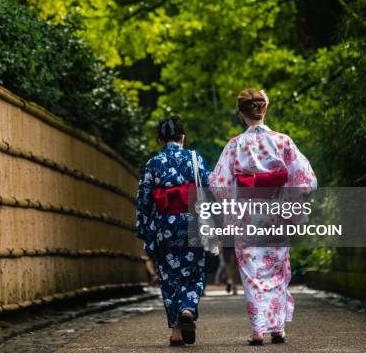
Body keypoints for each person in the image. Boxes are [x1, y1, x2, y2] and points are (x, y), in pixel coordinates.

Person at [209, 88, 317, 346]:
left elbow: (219, 183)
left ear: (241, 114)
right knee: (278, 270)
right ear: (263, 109)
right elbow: (305, 180)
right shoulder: (283, 141)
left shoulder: (235, 145)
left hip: (247, 214)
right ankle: (277, 329)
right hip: (276, 212)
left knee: (251, 272)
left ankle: (258, 329)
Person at [135, 116, 210, 346]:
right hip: (193, 222)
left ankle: (177, 332)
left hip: (165, 226)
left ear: (160, 140)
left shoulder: (153, 164)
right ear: (182, 137)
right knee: (194, 272)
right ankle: (188, 309)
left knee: (169, 277)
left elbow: (144, 201)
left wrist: (145, 231)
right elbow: (208, 189)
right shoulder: (196, 159)